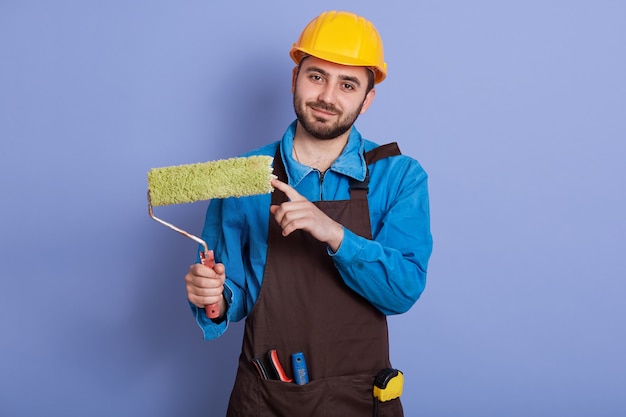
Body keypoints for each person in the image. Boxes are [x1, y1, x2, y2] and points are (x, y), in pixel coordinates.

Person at [184, 10, 432, 417]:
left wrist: (333, 233)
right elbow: (235, 294)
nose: (327, 97)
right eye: (316, 76)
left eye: (347, 84)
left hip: (361, 400)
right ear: (294, 79)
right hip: (266, 398)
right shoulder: (243, 174)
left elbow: (402, 291)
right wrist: (214, 298)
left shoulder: (400, 176)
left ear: (367, 99)